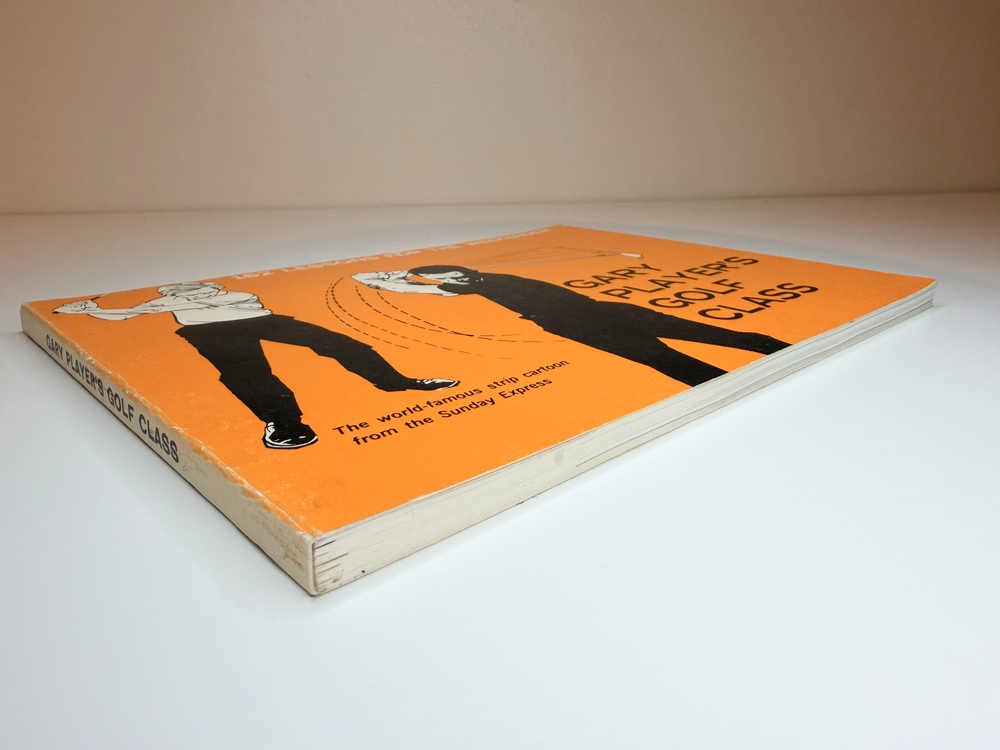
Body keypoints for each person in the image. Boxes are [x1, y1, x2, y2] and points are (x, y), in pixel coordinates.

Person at [54, 282, 458, 449]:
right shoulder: (167, 301)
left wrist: (186, 301)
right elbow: (124, 315)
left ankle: (397, 382)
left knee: (337, 342)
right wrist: (88, 309)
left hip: (260, 319)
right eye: (177, 291)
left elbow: (225, 303)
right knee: (247, 373)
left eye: (193, 288)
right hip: (211, 332)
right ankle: (284, 423)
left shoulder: (233, 295)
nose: (186, 291)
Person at [353, 266, 788, 387]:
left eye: (446, 277)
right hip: (595, 320)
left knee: (695, 347)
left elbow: (418, 288)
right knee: (674, 359)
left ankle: (756, 369)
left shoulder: (487, 283)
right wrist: (405, 278)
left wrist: (399, 278)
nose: (447, 283)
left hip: (596, 320)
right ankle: (734, 384)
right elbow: (420, 289)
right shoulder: (482, 284)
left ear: (459, 274)